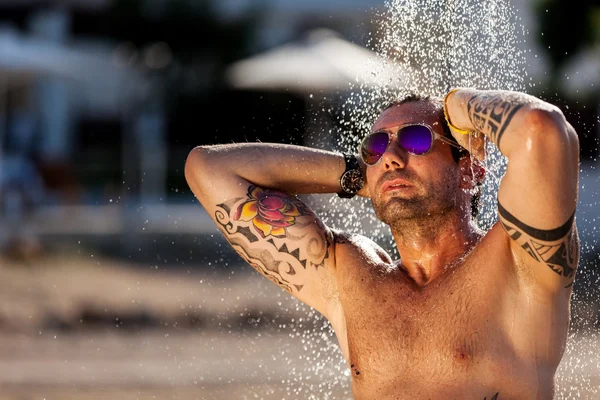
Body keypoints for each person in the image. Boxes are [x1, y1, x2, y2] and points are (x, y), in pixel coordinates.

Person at [185, 88, 580, 399]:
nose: (390, 156)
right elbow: (208, 167)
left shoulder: (518, 261)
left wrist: (454, 107)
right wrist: (368, 179)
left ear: (471, 169)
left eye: (415, 139)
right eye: (375, 148)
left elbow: (541, 131)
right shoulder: (350, 275)